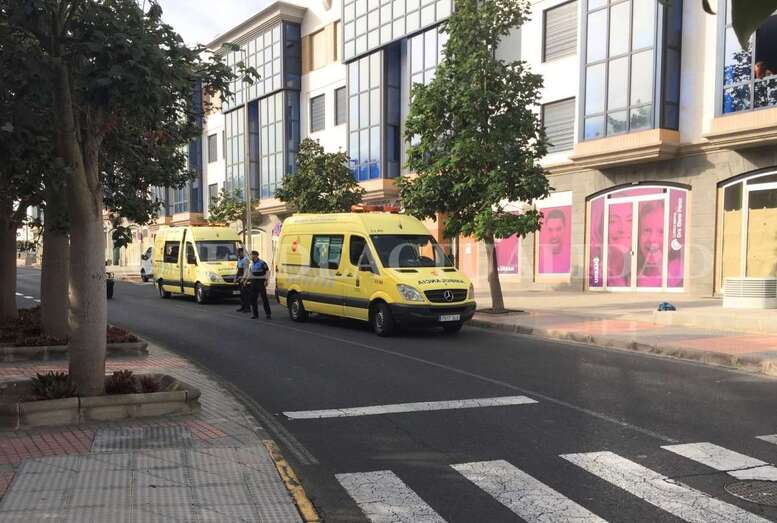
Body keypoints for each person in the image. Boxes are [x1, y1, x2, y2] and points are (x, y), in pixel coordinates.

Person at [244, 250, 271, 320]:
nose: (250, 256)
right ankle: (255, 314)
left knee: (264, 298)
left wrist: (266, 280)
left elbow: (267, 271)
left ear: (255, 255)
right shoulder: (251, 264)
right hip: (253, 282)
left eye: (251, 255)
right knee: (253, 299)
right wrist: (246, 280)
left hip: (261, 282)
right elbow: (250, 273)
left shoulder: (262, 263)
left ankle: (268, 314)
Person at [235, 248, 250, 313]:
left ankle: (247, 308)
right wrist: (235, 277)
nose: (236, 254)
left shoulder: (245, 260)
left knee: (245, 294)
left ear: (241, 252)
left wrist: (243, 279)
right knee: (241, 294)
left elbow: (246, 270)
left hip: (244, 278)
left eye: (237, 253)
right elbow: (238, 269)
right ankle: (243, 307)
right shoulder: (239, 259)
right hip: (239, 277)